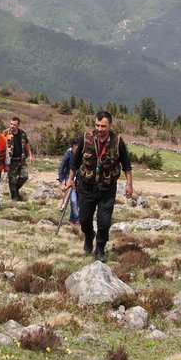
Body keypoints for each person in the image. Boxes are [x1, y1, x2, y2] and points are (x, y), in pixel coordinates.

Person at [65, 111, 133, 263]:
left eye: (103, 126)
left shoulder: (117, 141)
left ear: (110, 126)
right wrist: (70, 180)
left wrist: (129, 185)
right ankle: (89, 236)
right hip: (86, 187)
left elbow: (127, 166)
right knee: (84, 220)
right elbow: (74, 163)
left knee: (104, 222)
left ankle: (100, 249)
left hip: (107, 189)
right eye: (97, 125)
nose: (100, 129)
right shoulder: (85, 138)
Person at [3, 116, 33, 200]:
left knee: (24, 176)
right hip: (11, 161)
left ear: (18, 125)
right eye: (11, 124)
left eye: (14, 124)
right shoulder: (6, 133)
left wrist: (30, 155)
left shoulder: (22, 133)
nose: (12, 126)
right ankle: (14, 197)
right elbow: (0, 144)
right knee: (12, 180)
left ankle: (15, 191)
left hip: (21, 159)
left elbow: (26, 144)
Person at [58, 139, 80, 225]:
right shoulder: (68, 154)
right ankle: (78, 220)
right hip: (69, 181)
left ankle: (72, 220)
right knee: (73, 200)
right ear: (72, 148)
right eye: (75, 150)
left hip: (80, 182)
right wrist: (62, 181)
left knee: (78, 202)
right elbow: (61, 168)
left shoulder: (84, 155)